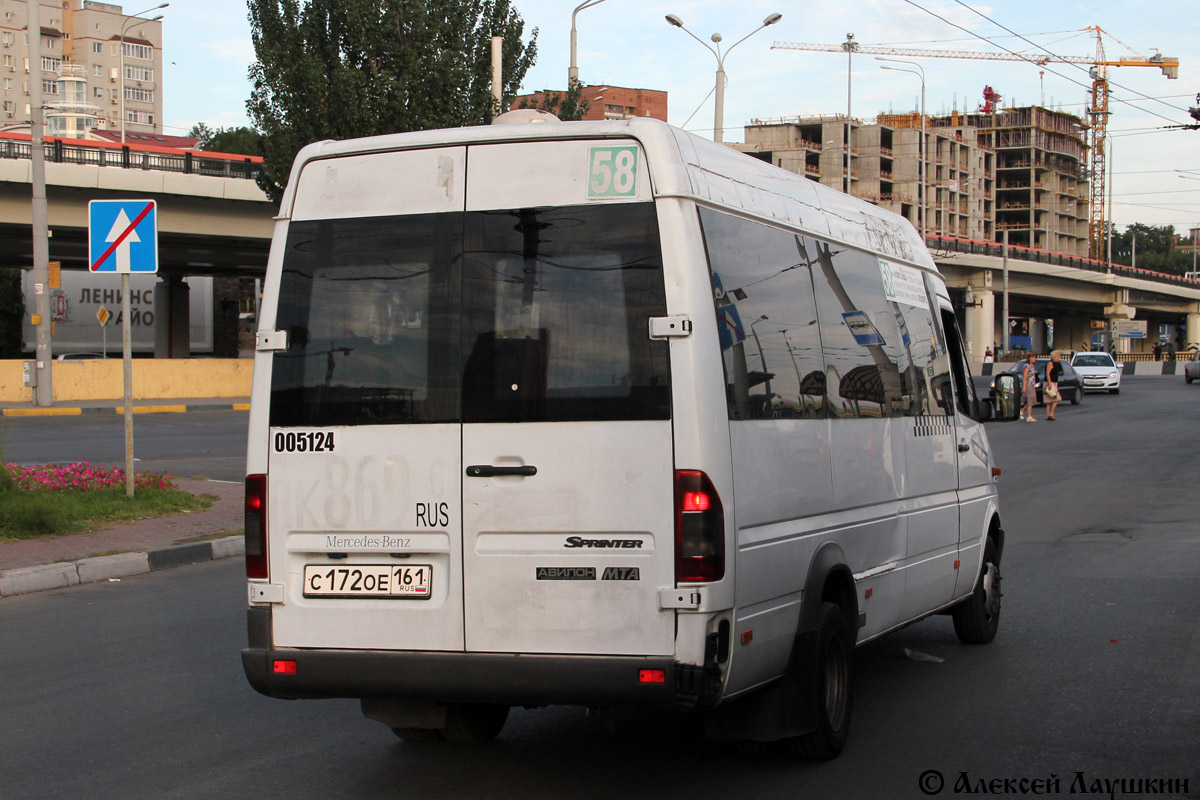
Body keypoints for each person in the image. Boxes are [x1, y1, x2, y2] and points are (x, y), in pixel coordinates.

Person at [1020, 352, 1039, 422]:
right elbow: (1024, 377)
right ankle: (1029, 416)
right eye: (1032, 357)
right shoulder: (1027, 366)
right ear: (1029, 358)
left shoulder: (1032, 366)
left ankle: (1022, 411)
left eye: (1035, 357)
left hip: (1032, 384)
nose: (1034, 359)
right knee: (1030, 399)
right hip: (1028, 384)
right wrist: (1024, 386)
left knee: (1032, 400)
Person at [1044, 351, 1063, 421]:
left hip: (1055, 382)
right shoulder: (1050, 363)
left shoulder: (1057, 364)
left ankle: (1049, 414)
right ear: (1054, 356)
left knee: (1051, 399)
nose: (1059, 358)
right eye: (1058, 356)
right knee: (1056, 398)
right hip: (1049, 382)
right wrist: (1049, 383)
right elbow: (1048, 373)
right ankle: (1050, 414)